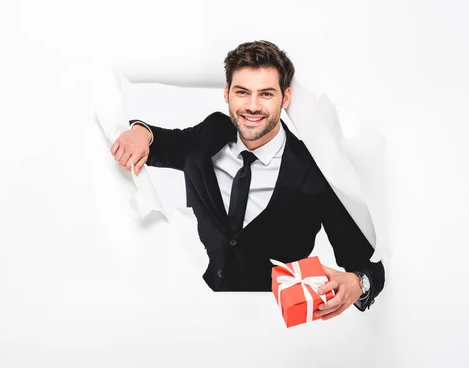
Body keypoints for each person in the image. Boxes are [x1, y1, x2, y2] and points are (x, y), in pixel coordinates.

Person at [109, 40, 384, 320]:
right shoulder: (212, 133)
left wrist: (358, 283)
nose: (252, 106)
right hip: (186, 310)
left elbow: (367, 263)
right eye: (242, 92)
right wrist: (141, 131)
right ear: (227, 93)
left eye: (266, 94)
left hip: (267, 326)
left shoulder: (314, 170)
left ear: (285, 98)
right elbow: (163, 143)